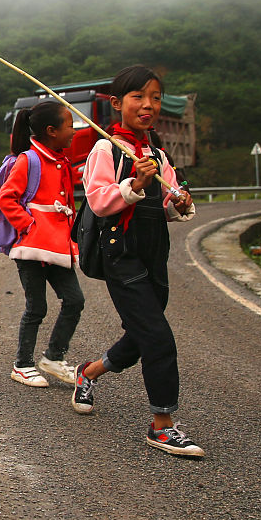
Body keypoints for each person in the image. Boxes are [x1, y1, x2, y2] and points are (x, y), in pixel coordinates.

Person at [70, 65, 203, 458]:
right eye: (138, 98)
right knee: (159, 337)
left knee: (144, 333)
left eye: (156, 98)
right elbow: (98, 200)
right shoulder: (105, 148)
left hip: (154, 249)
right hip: (121, 252)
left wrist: (179, 202)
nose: (149, 106)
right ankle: (162, 426)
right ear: (117, 104)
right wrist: (134, 185)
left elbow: (168, 201)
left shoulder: (158, 153)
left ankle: (89, 372)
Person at [0, 101, 84, 388]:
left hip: (58, 248)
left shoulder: (62, 160)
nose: (74, 131)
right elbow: (6, 198)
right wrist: (29, 226)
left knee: (75, 300)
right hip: (33, 248)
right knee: (37, 308)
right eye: (70, 126)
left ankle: (53, 358)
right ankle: (22, 365)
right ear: (51, 131)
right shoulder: (28, 160)